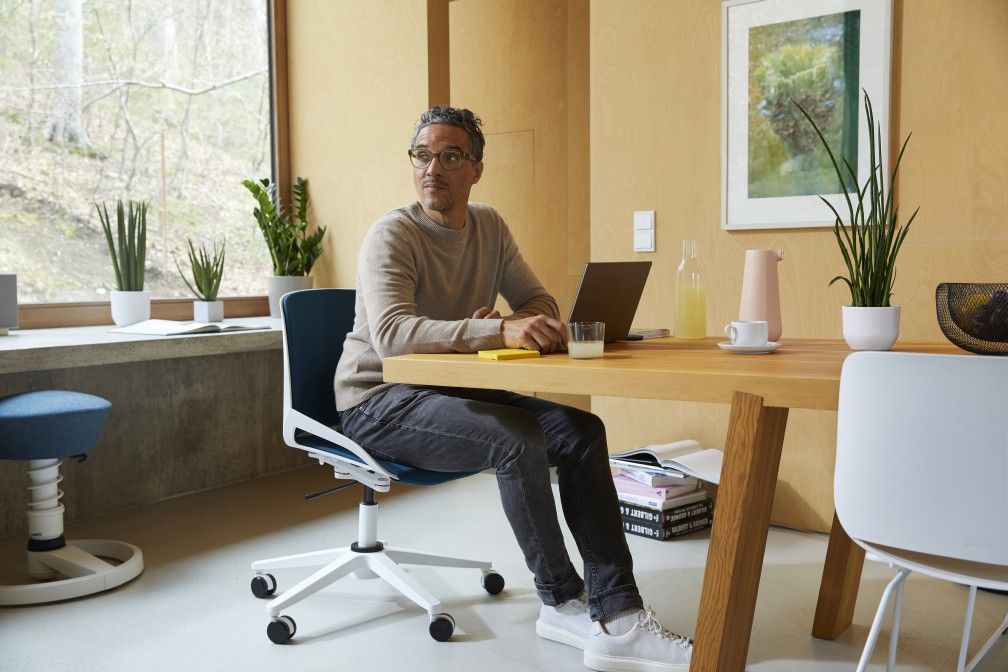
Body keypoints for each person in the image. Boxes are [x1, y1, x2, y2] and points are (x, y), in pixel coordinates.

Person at [334, 105, 692, 672]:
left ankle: (619, 613)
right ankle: (560, 600)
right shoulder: (392, 234)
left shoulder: (490, 226)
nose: (434, 168)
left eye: (451, 156)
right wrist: (492, 328)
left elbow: (540, 302)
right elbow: (393, 337)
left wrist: (516, 320)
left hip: (450, 387)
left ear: (476, 169)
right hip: (378, 399)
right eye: (423, 155)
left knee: (580, 429)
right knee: (516, 438)